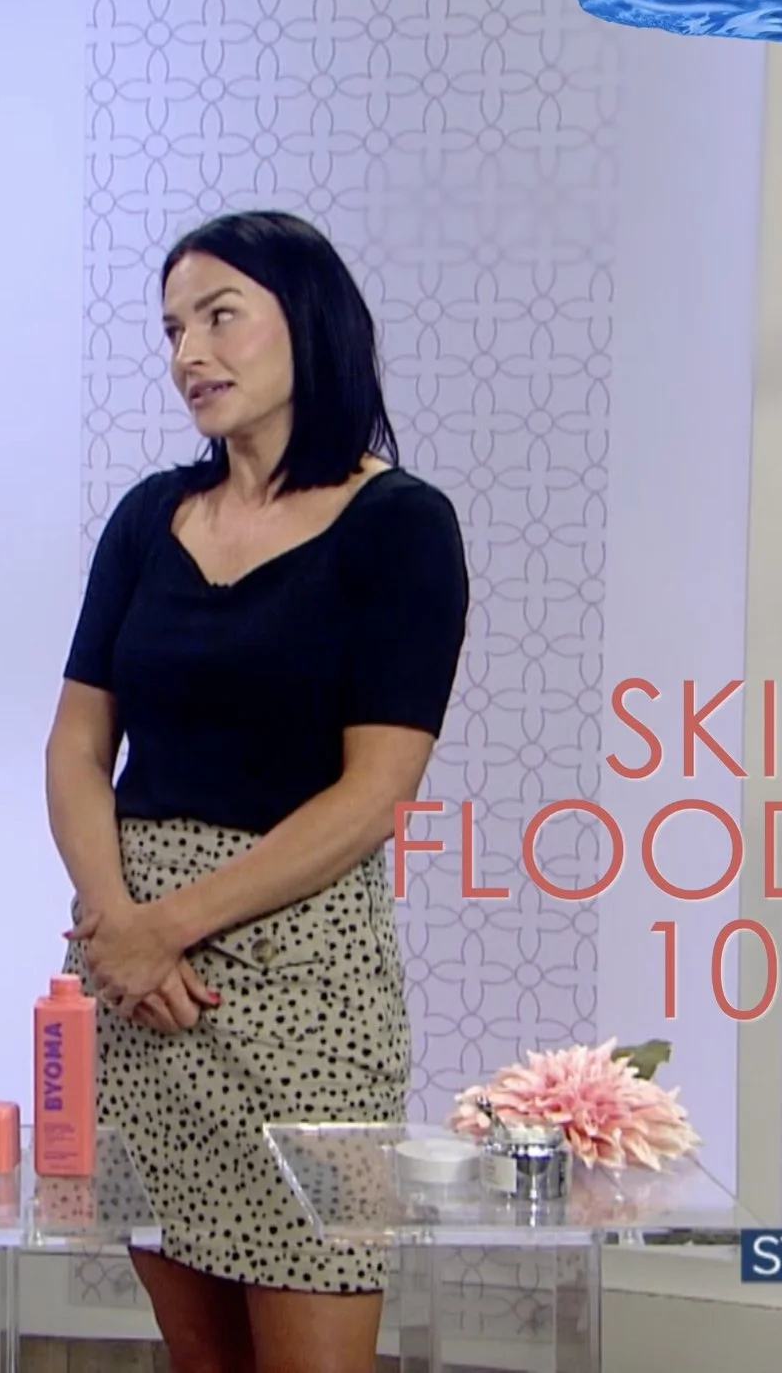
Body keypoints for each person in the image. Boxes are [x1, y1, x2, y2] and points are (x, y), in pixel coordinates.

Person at [50, 211, 470, 1373]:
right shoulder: (148, 518)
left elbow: (375, 790)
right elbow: (76, 746)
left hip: (303, 986)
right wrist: (117, 925)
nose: (190, 351)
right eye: (172, 328)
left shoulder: (401, 525)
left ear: (308, 320)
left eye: (220, 316)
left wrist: (165, 926)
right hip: (138, 992)